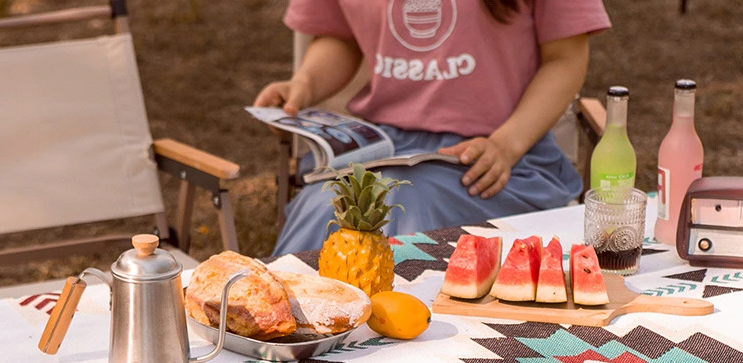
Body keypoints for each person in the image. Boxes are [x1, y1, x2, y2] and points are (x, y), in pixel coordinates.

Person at [255, 0, 612, 255]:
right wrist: (304, 85)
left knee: (408, 202)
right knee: (329, 207)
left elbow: (565, 59)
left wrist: (506, 145)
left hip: (496, 156)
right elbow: (340, 37)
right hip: (382, 151)